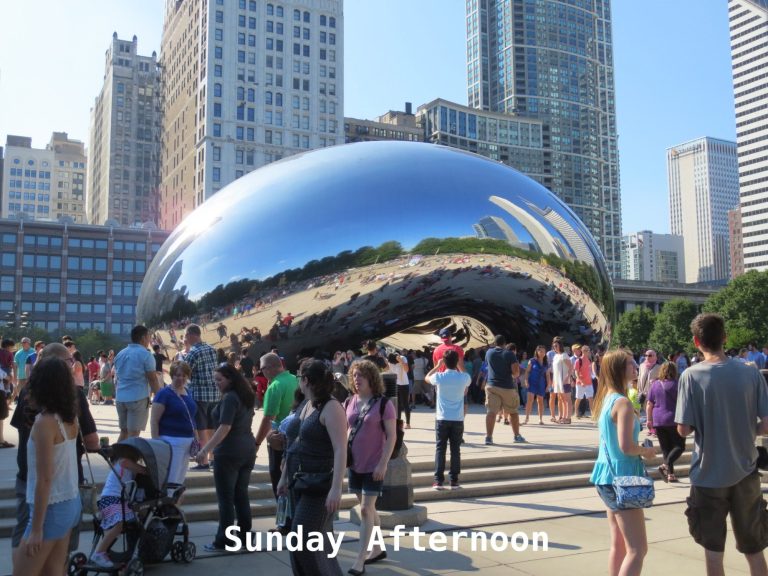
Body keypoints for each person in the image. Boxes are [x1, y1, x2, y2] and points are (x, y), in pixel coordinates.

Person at [675, 313, 768, 576]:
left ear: (696, 342)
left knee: (714, 553)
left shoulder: (691, 376)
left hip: (708, 475)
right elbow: (766, 424)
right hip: (745, 470)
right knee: (754, 549)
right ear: (725, 338)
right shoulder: (750, 372)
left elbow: (683, 429)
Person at [10, 343, 99, 556]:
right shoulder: (73, 398)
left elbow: (19, 428)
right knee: (57, 555)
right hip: (63, 485)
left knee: (24, 539)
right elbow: (92, 441)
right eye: (69, 361)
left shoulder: (26, 394)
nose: (73, 364)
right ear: (59, 366)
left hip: (27, 477)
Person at [12, 356, 81, 576]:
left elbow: (44, 478)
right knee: (53, 571)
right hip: (70, 501)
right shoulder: (69, 417)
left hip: (50, 508)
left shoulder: (45, 422)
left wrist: (36, 529)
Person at [589, 349, 656, 576]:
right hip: (624, 477)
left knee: (618, 544)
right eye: (630, 364)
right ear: (619, 370)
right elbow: (626, 447)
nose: (636, 367)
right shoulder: (623, 404)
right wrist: (646, 451)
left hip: (606, 476)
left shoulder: (607, 399)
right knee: (638, 549)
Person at [277, 359, 346, 576]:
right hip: (299, 482)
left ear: (305, 380)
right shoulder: (307, 403)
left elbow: (340, 449)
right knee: (304, 543)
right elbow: (295, 442)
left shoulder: (331, 407)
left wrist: (336, 488)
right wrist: (284, 477)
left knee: (305, 539)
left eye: (299, 377)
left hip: (319, 485)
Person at [196, 364, 256, 552]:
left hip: (230, 451)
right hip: (247, 448)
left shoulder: (230, 398)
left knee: (226, 499)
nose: (216, 384)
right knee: (241, 495)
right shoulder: (246, 395)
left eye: (219, 380)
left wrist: (205, 449)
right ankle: (245, 537)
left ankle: (224, 540)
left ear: (230, 379)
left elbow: (225, 427)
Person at [344, 360, 396, 574]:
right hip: (354, 464)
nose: (357, 379)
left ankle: (360, 559)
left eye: (361, 376)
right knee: (369, 509)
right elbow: (344, 429)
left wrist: (383, 463)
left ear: (371, 378)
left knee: (366, 509)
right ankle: (377, 548)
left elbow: (392, 436)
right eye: (354, 376)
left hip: (374, 464)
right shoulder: (349, 401)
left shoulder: (384, 404)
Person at [88, 454, 148, 568]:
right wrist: (147, 470)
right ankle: (99, 553)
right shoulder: (123, 460)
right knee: (119, 524)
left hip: (119, 500)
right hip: (111, 498)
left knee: (134, 521)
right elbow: (129, 463)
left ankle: (108, 552)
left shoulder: (128, 467)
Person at [426, 349, 471, 490]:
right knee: (455, 449)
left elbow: (427, 377)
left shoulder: (439, 376)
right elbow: (467, 375)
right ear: (457, 362)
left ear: (444, 362)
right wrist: (458, 364)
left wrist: (438, 366)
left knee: (440, 449)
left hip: (442, 417)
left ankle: (438, 481)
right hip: (457, 419)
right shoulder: (463, 378)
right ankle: (454, 480)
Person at [255, 352, 299, 496]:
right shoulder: (295, 379)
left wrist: (256, 443)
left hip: (279, 441)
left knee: (279, 484)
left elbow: (268, 419)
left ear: (271, 368)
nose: (261, 373)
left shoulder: (275, 386)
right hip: (297, 438)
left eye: (262, 369)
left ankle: (283, 517)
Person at [150, 361, 197, 486]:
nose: (180, 378)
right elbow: (154, 420)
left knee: (180, 478)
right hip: (171, 442)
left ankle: (174, 502)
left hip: (188, 441)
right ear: (172, 375)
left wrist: (196, 438)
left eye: (184, 375)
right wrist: (156, 443)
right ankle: (168, 501)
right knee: (172, 478)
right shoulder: (163, 394)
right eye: (177, 375)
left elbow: (192, 418)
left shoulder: (188, 392)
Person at [114, 325, 161, 441]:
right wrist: (160, 396)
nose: (150, 340)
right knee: (134, 435)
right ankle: (129, 459)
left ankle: (116, 457)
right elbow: (152, 379)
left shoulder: (120, 353)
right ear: (144, 337)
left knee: (124, 432)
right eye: (149, 337)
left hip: (120, 397)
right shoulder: (146, 354)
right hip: (137, 397)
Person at [184, 324, 219, 469]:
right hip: (215, 394)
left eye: (186, 336)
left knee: (201, 429)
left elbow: (185, 373)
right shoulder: (212, 349)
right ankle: (213, 457)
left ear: (192, 335)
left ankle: (203, 460)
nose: (185, 339)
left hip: (199, 395)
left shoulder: (193, 353)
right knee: (212, 427)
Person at [646, 362, 684, 483]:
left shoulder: (655, 384)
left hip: (658, 419)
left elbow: (649, 404)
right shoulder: (678, 384)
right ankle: (665, 465)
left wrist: (649, 419)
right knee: (679, 446)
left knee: (666, 448)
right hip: (673, 419)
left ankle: (670, 475)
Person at [482, 335, 524, 444]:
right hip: (507, 387)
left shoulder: (488, 353)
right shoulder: (510, 354)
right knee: (513, 412)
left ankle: (489, 437)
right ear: (504, 343)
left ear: (495, 343)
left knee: (491, 412)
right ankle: (516, 436)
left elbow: (488, 365)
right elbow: (516, 373)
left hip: (491, 386)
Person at [523, 345, 550, 425]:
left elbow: (548, 375)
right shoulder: (532, 361)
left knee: (540, 401)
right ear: (537, 352)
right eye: (540, 351)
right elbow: (527, 371)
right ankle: (526, 418)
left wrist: (548, 385)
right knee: (530, 400)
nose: (542, 353)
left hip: (541, 383)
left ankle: (540, 419)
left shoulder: (546, 363)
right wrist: (526, 381)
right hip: (532, 382)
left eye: (543, 352)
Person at [551, 340, 573, 424]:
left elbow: (571, 367)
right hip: (557, 381)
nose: (555, 347)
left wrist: (567, 377)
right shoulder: (556, 356)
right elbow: (555, 370)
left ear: (560, 346)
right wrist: (553, 381)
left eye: (556, 346)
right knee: (562, 399)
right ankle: (563, 417)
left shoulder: (564, 355)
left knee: (567, 399)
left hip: (564, 380)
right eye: (553, 346)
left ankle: (568, 418)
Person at [387, 352, 411, 428]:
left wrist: (401, 361)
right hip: (395, 384)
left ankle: (408, 423)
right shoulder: (390, 361)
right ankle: (399, 423)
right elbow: (389, 371)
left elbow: (406, 370)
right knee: (397, 405)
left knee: (405, 403)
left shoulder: (403, 358)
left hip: (404, 383)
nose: (393, 364)